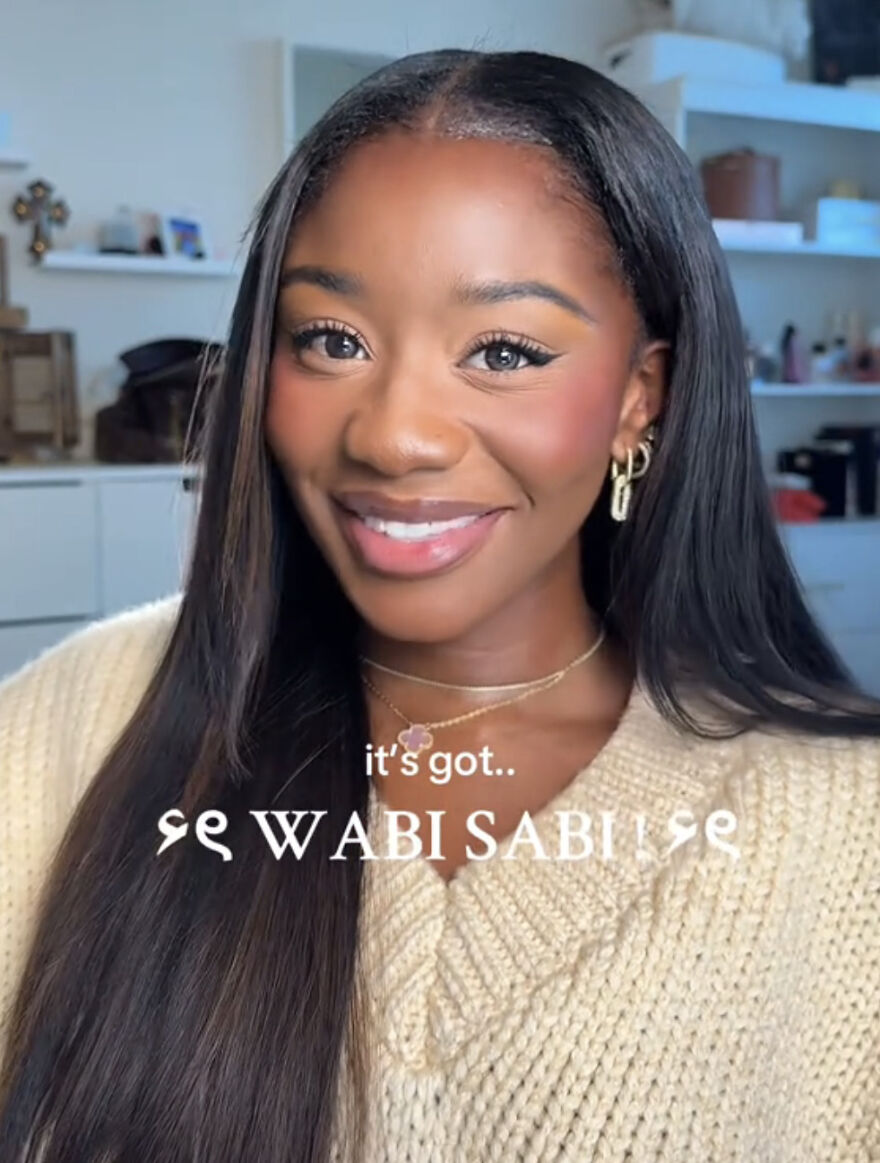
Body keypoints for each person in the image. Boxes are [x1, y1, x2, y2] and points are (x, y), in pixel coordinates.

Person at [0, 48, 878, 1163]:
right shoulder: (82, 718)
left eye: (503, 349)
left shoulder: (845, 818)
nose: (394, 434)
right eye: (331, 340)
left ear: (636, 401)